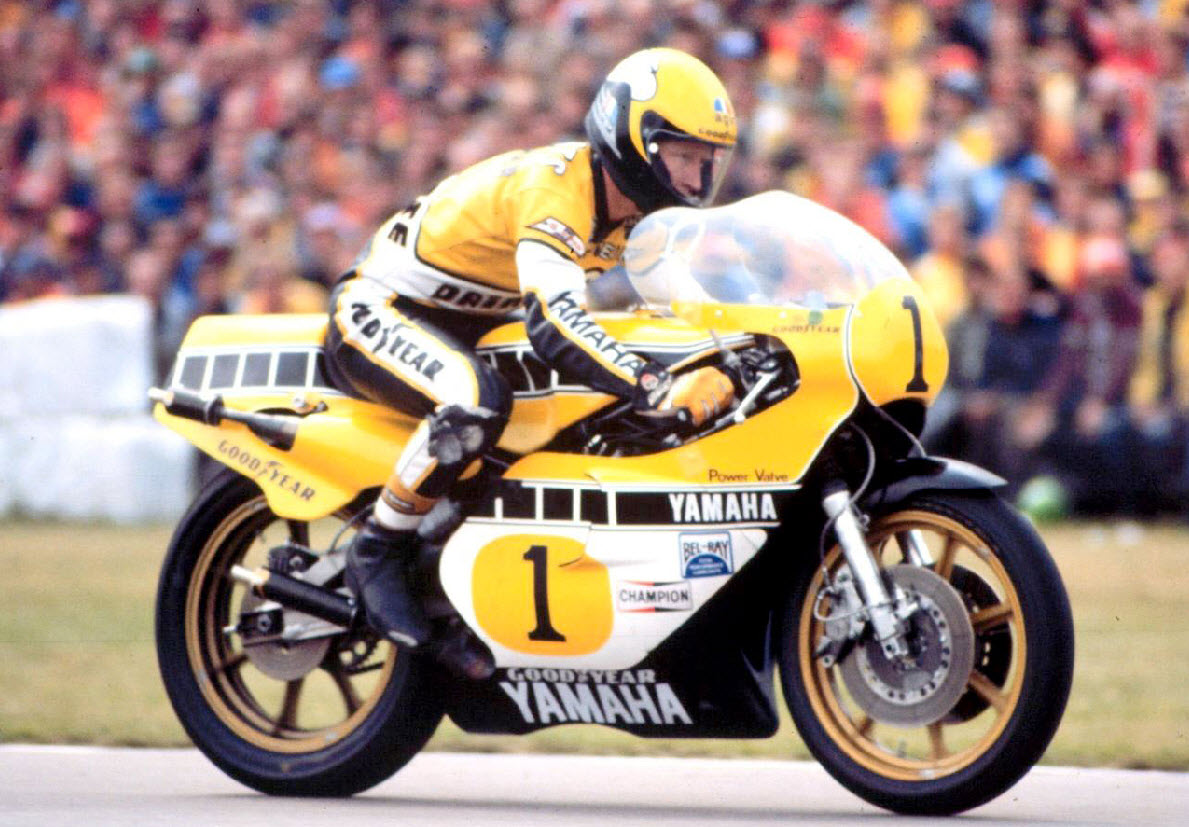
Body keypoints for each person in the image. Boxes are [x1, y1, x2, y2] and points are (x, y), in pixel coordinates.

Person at [323, 48, 738, 678]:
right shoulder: (558, 188)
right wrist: (653, 382)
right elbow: (553, 321)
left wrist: (744, 348)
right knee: (476, 402)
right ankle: (378, 548)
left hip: (474, 320)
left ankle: (458, 579)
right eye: (683, 157)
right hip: (383, 307)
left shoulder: (637, 217)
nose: (695, 178)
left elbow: (689, 306)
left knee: (563, 421)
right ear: (634, 141)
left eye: (706, 161)